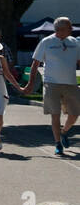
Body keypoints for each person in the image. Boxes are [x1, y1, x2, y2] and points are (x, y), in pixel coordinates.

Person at [21, 16, 80, 155]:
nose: (72, 29)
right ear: (59, 30)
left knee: (75, 113)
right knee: (55, 114)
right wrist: (30, 83)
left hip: (71, 83)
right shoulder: (46, 42)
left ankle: (64, 131)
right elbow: (35, 64)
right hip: (51, 83)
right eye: (69, 27)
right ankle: (57, 143)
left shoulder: (75, 42)